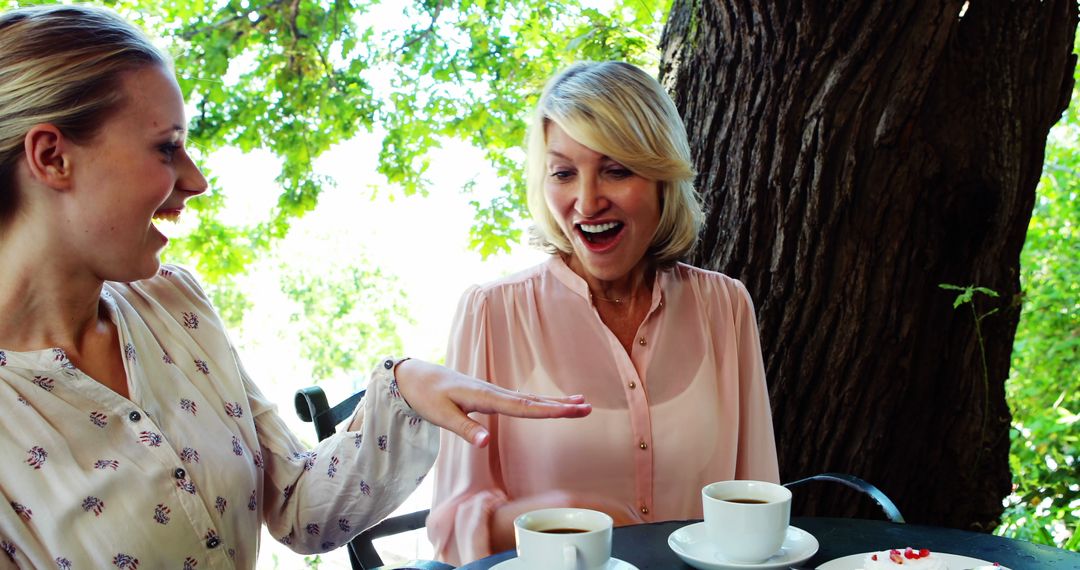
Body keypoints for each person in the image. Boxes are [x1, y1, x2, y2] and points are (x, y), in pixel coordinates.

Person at [0, 5, 591, 568]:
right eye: (166, 147)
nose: (196, 180)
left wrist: (402, 395)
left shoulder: (173, 304)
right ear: (53, 158)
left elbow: (300, 510)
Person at [427, 61, 780, 564]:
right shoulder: (491, 313)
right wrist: (556, 513)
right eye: (563, 173)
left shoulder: (724, 306)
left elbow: (758, 500)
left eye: (616, 170)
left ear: (662, 175)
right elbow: (452, 527)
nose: (587, 202)